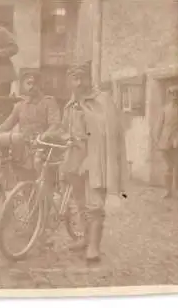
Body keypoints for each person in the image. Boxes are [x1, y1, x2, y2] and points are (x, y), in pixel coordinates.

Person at [58, 61, 127, 263]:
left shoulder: (103, 101)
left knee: (94, 204)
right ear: (70, 81)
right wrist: (65, 138)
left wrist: (91, 157)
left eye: (82, 78)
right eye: (74, 79)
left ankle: (94, 246)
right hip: (74, 159)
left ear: (89, 79)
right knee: (80, 203)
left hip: (97, 160)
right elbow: (64, 129)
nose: (78, 83)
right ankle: (85, 239)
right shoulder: (70, 104)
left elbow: (111, 134)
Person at [0, 70, 61, 180]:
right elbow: (7, 124)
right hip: (22, 150)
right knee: (23, 179)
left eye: (34, 83)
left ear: (40, 85)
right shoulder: (20, 105)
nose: (31, 87)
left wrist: (44, 136)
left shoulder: (49, 102)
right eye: (28, 84)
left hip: (42, 147)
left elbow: (55, 124)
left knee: (43, 181)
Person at [153, 84, 178, 200]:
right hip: (165, 140)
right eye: (173, 94)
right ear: (169, 96)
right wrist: (157, 139)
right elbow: (158, 125)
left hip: (177, 140)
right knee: (168, 167)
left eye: (177, 94)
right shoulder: (165, 109)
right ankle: (168, 191)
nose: (175, 96)